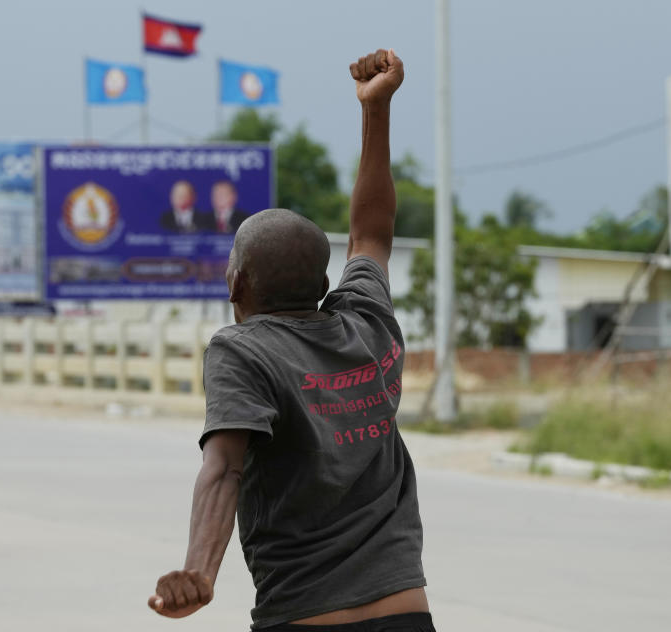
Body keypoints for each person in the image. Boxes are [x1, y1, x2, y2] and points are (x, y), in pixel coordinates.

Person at [147, 49, 434, 632]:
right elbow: (372, 231)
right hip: (407, 611)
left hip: (303, 616)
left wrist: (199, 572)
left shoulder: (243, 349)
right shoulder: (366, 320)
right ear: (326, 283)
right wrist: (376, 112)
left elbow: (225, 467)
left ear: (236, 284)